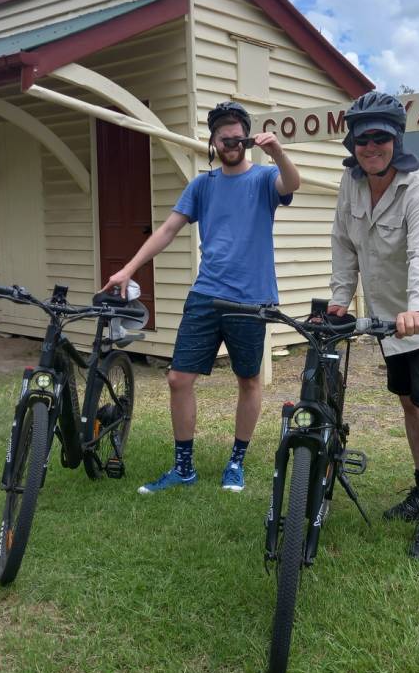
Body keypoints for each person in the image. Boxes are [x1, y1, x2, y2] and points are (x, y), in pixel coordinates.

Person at [103, 101, 300, 494]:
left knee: (248, 380)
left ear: (246, 138)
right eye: (222, 134)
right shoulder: (202, 185)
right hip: (206, 295)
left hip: (251, 299)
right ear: (212, 141)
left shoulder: (264, 178)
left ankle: (236, 463)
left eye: (236, 132)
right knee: (178, 379)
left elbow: (292, 184)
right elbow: (166, 230)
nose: (230, 139)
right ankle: (183, 468)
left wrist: (277, 151)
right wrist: (128, 269)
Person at [327, 91, 419, 561]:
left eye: (380, 138)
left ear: (396, 139)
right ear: (352, 143)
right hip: (389, 317)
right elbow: (344, 243)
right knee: (409, 406)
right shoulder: (351, 184)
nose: (371, 147)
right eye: (362, 139)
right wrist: (339, 301)